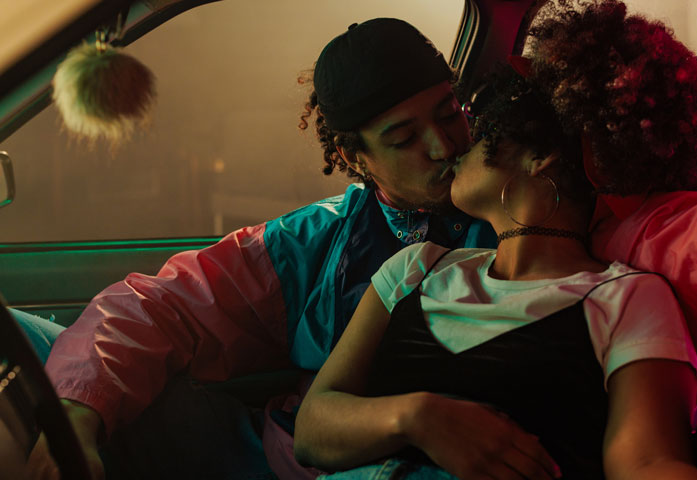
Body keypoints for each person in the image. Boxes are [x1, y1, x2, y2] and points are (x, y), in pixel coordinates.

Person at [24, 18, 495, 480]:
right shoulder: (319, 237)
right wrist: (76, 415)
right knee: (24, 339)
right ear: (355, 157)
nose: (442, 146)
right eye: (404, 138)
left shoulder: (520, 213)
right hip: (271, 454)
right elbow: (161, 305)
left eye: (450, 113)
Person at [293, 4, 697, 478]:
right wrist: (419, 417)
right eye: (406, 137)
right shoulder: (415, 267)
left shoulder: (626, 297)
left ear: (540, 157)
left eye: (475, 127)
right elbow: (310, 431)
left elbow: (648, 462)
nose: (450, 147)